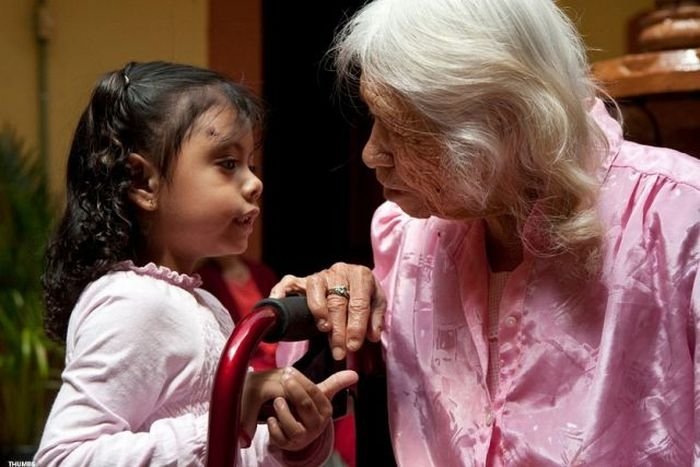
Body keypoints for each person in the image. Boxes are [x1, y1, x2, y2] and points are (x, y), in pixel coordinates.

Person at [271, 0, 700, 465]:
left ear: (504, 120)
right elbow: (313, 414)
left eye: (401, 126)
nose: (372, 153)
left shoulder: (678, 217)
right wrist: (326, 322)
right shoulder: (409, 233)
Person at [36, 61, 357, 466]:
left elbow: (224, 452)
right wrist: (230, 412)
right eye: (227, 163)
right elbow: (65, 458)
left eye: (250, 165)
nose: (255, 183)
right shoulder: (135, 302)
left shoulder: (201, 304)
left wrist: (285, 443)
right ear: (143, 182)